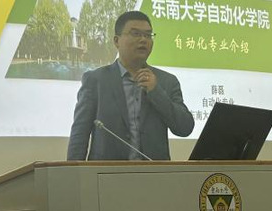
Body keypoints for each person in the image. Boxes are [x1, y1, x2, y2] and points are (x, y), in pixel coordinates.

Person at [67, 10, 194, 160]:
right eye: (135, 34)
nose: (143, 40)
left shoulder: (167, 81)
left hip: (153, 172)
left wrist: (156, 92)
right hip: (107, 172)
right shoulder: (96, 80)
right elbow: (79, 133)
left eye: (148, 35)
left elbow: (185, 128)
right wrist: (73, 172)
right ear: (117, 41)